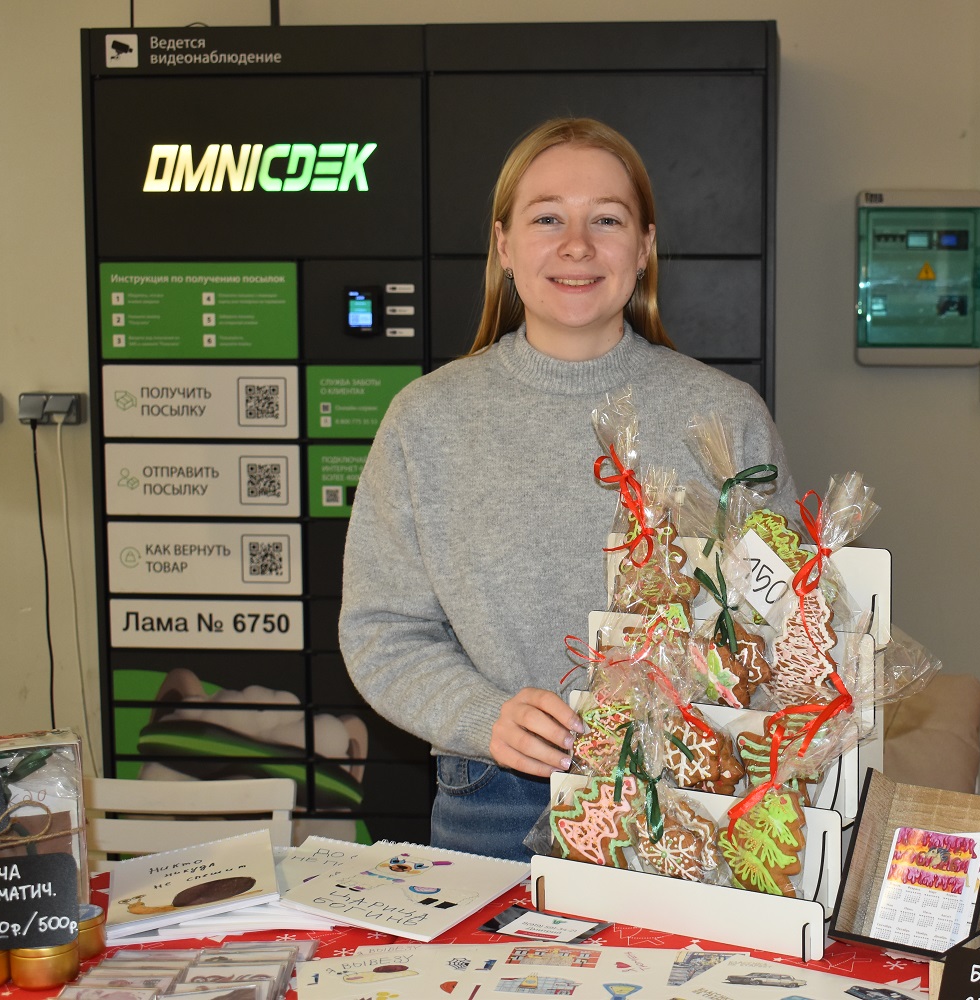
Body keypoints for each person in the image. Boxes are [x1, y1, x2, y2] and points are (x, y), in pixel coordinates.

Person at [339, 118, 795, 862]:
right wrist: (483, 715)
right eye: (547, 218)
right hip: (496, 800)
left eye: (606, 220)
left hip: (690, 798)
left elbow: (784, 619)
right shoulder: (427, 420)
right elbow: (381, 632)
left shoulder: (725, 417)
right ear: (503, 246)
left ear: (644, 248)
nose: (577, 245)